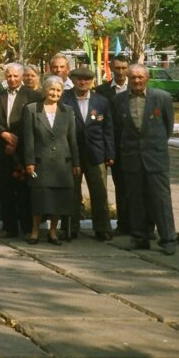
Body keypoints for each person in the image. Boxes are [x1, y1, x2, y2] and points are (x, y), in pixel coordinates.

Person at [114, 64, 177, 255]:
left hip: (155, 157)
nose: (137, 81)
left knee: (161, 200)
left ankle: (168, 239)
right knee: (135, 200)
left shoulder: (162, 98)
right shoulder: (119, 100)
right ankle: (140, 238)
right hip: (131, 157)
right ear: (128, 78)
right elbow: (119, 128)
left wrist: (154, 145)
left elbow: (168, 126)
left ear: (147, 78)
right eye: (133, 78)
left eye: (140, 77)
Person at [20, 75, 80, 245]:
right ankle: (35, 231)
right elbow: (28, 138)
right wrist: (29, 162)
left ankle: (53, 232)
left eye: (58, 90)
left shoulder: (67, 110)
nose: (55, 93)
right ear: (45, 90)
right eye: (52, 89)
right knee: (39, 198)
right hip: (41, 162)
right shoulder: (32, 109)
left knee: (58, 199)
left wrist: (76, 163)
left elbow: (72, 139)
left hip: (63, 163)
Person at [0, 63, 44, 239]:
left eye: (15, 76)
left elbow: (32, 121)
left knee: (24, 191)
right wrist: (4, 134)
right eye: (9, 76)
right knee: (5, 190)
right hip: (2, 148)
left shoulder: (32, 96)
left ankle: (27, 228)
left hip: (23, 149)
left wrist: (16, 140)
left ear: (22, 77)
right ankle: (9, 227)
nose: (12, 79)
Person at [61, 67, 115, 241]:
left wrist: (110, 154)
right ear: (73, 80)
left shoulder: (101, 101)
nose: (82, 82)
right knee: (71, 193)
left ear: (92, 81)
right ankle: (70, 228)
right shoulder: (63, 99)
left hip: (96, 154)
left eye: (86, 79)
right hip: (70, 153)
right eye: (79, 79)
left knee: (99, 192)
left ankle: (102, 228)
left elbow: (108, 130)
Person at [96, 53, 132, 236]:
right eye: (117, 68)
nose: (120, 72)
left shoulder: (136, 88)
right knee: (118, 186)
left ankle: (136, 223)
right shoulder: (101, 91)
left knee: (133, 187)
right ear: (111, 67)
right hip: (110, 146)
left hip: (131, 146)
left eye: (124, 68)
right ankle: (122, 224)